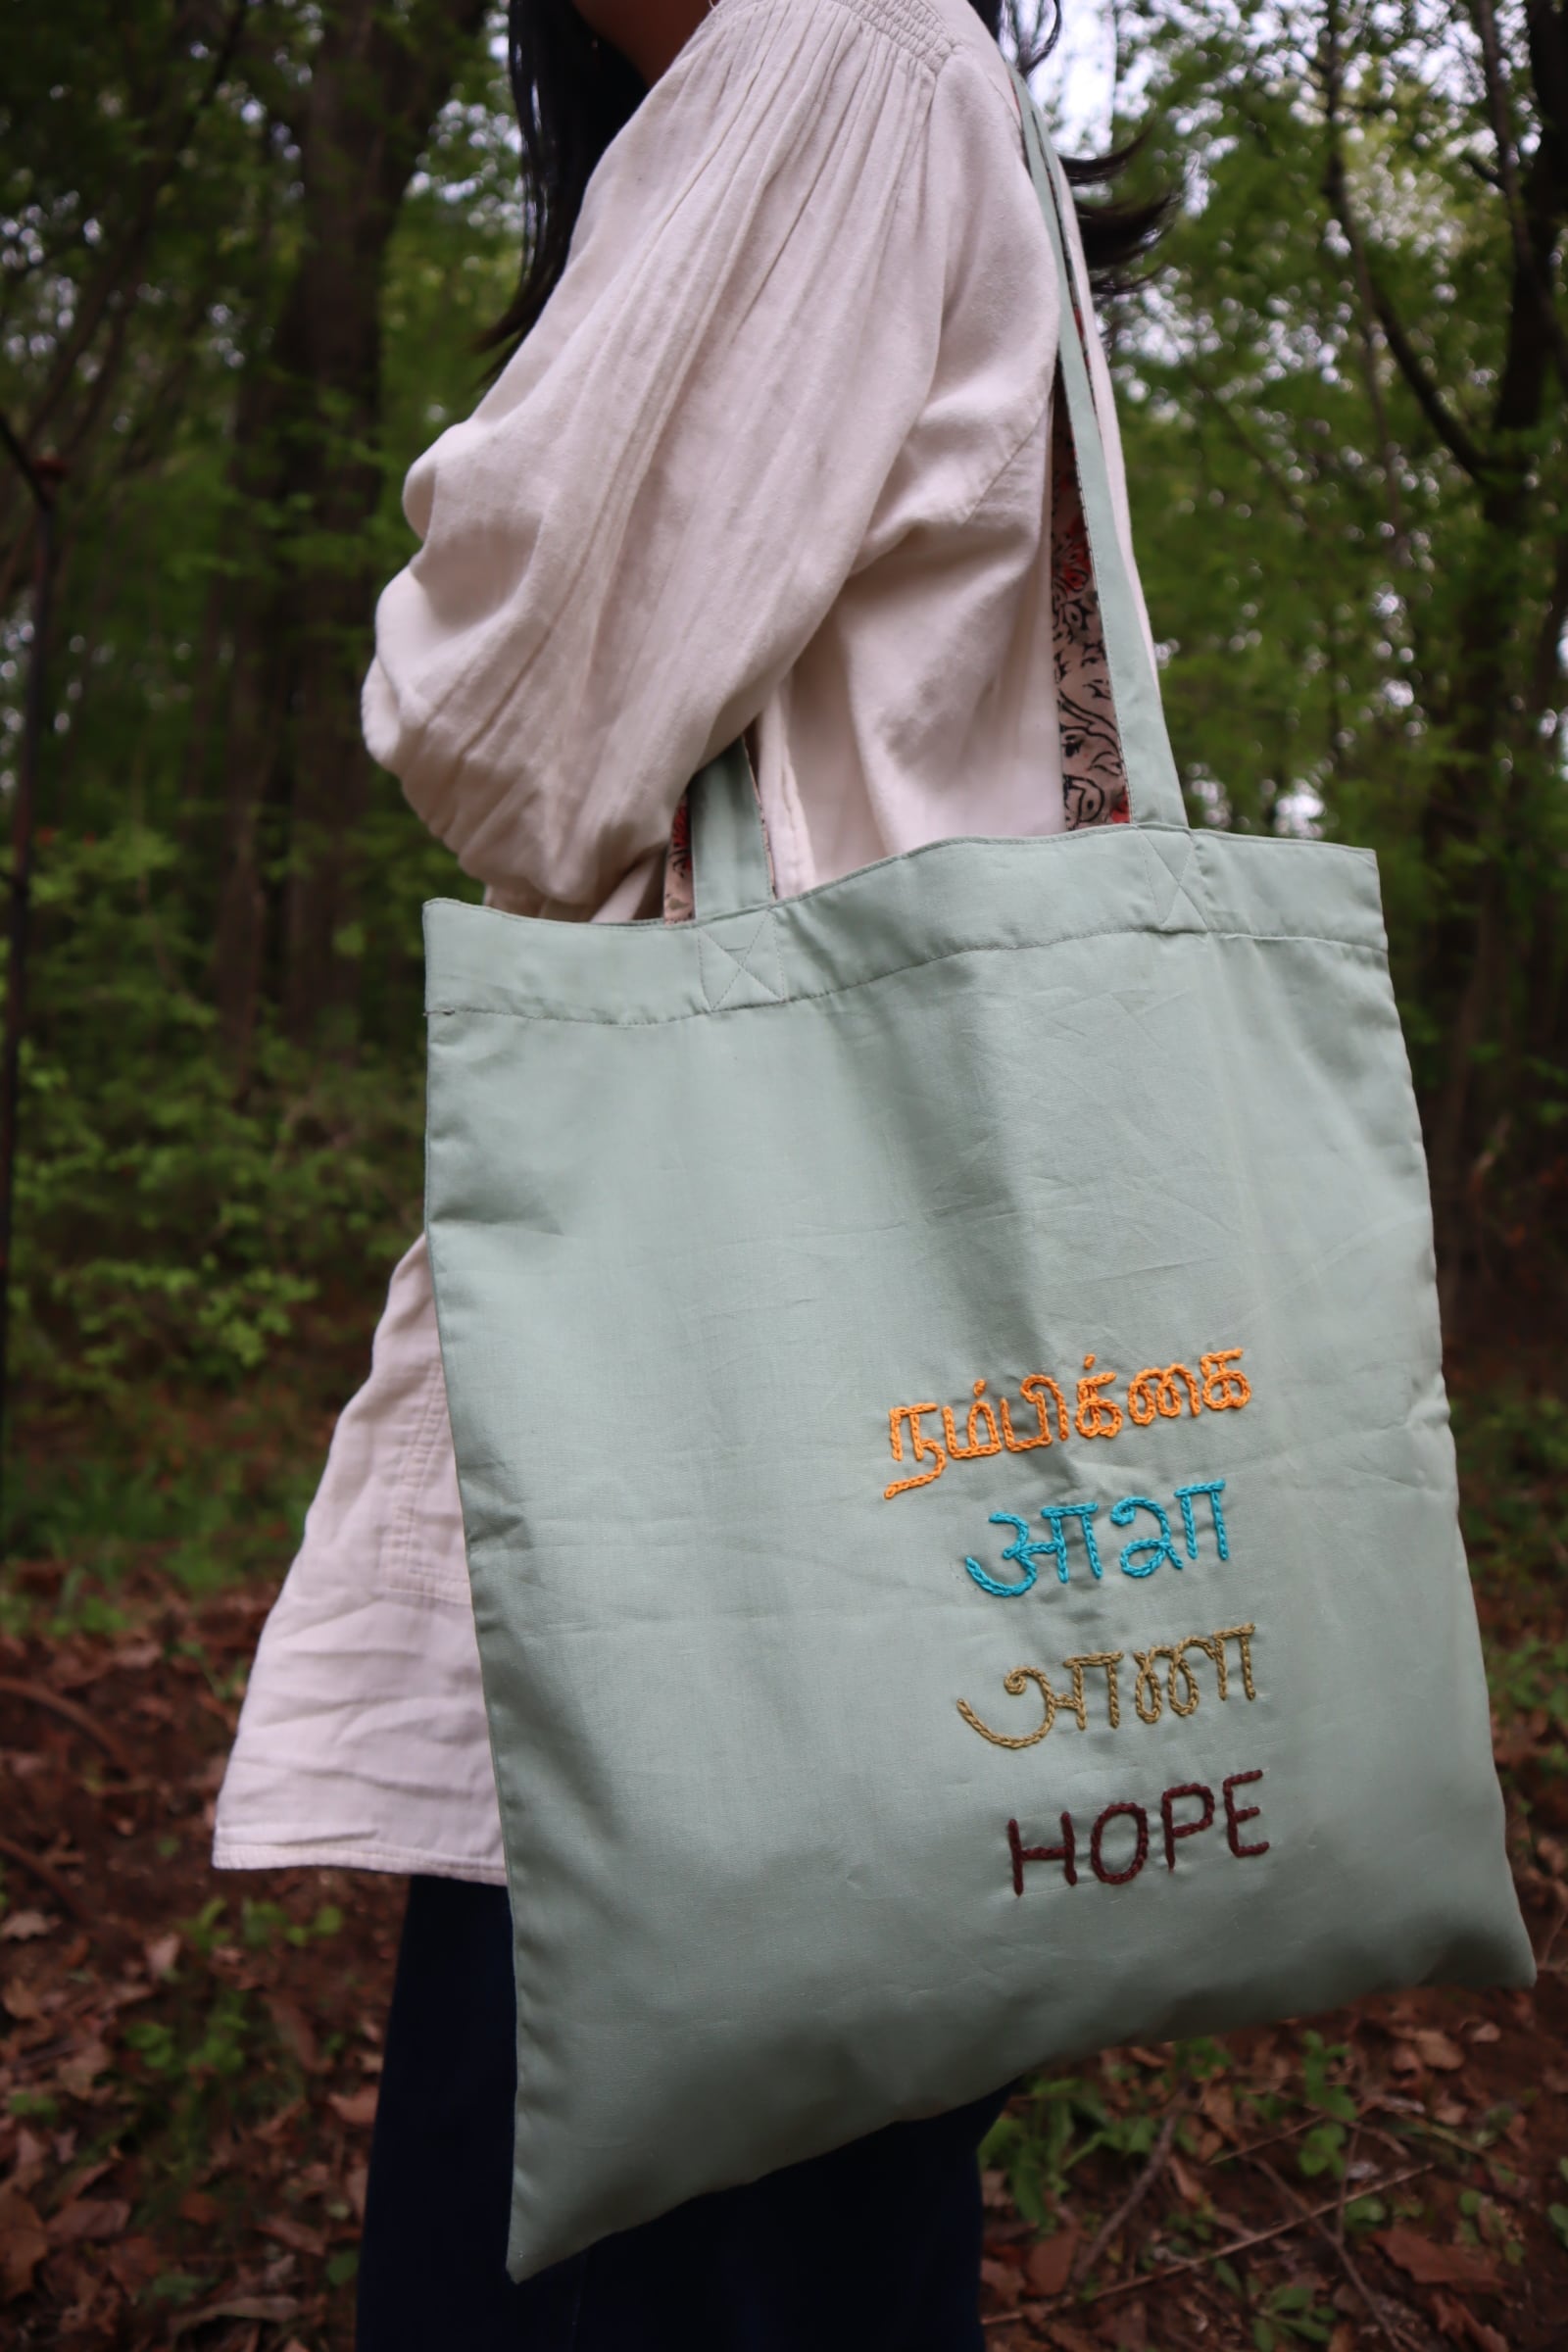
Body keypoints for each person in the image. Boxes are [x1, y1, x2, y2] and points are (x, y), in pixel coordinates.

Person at [214, 0, 1166, 2340]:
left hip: (722, 1446)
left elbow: (511, 725)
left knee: (609, 2226)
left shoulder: (829, 50)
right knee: (819, 2212)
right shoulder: (922, 83)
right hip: (904, 1407)